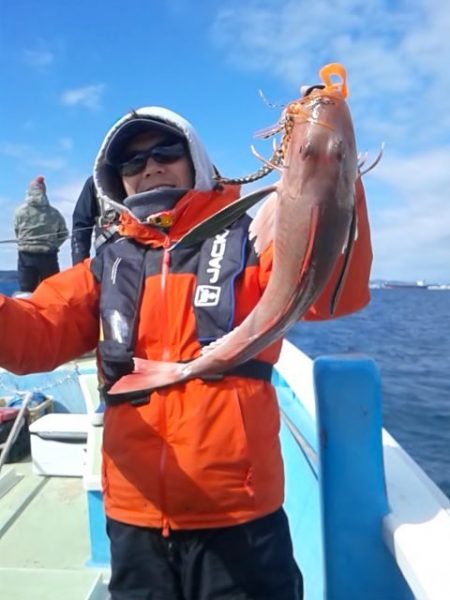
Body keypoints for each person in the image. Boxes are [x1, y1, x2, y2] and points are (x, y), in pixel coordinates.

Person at [0, 106, 372, 599]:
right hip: (135, 521)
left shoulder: (253, 239)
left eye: (165, 151)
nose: (149, 167)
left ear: (194, 157)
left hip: (239, 518)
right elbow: (33, 337)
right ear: (117, 181)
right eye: (132, 163)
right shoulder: (102, 267)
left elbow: (331, 296)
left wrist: (332, 173)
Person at [14, 175, 69, 292]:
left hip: (26, 256)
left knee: (27, 293)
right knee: (51, 291)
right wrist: (54, 244)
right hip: (48, 256)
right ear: (44, 191)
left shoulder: (19, 212)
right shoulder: (54, 213)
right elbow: (64, 234)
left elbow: (17, 232)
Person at [71, 175, 118, 265]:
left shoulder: (148, 175)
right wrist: (79, 264)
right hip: (107, 258)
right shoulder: (95, 182)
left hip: (146, 255)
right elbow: (81, 225)